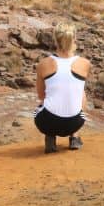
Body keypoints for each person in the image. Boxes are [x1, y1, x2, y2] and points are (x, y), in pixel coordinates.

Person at [33, 23, 91, 153]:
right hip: (74, 123)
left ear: (55, 40)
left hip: (47, 122)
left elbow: (41, 96)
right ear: (74, 39)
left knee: (42, 103)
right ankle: (74, 137)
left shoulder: (43, 64)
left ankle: (50, 137)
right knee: (81, 92)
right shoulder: (85, 63)